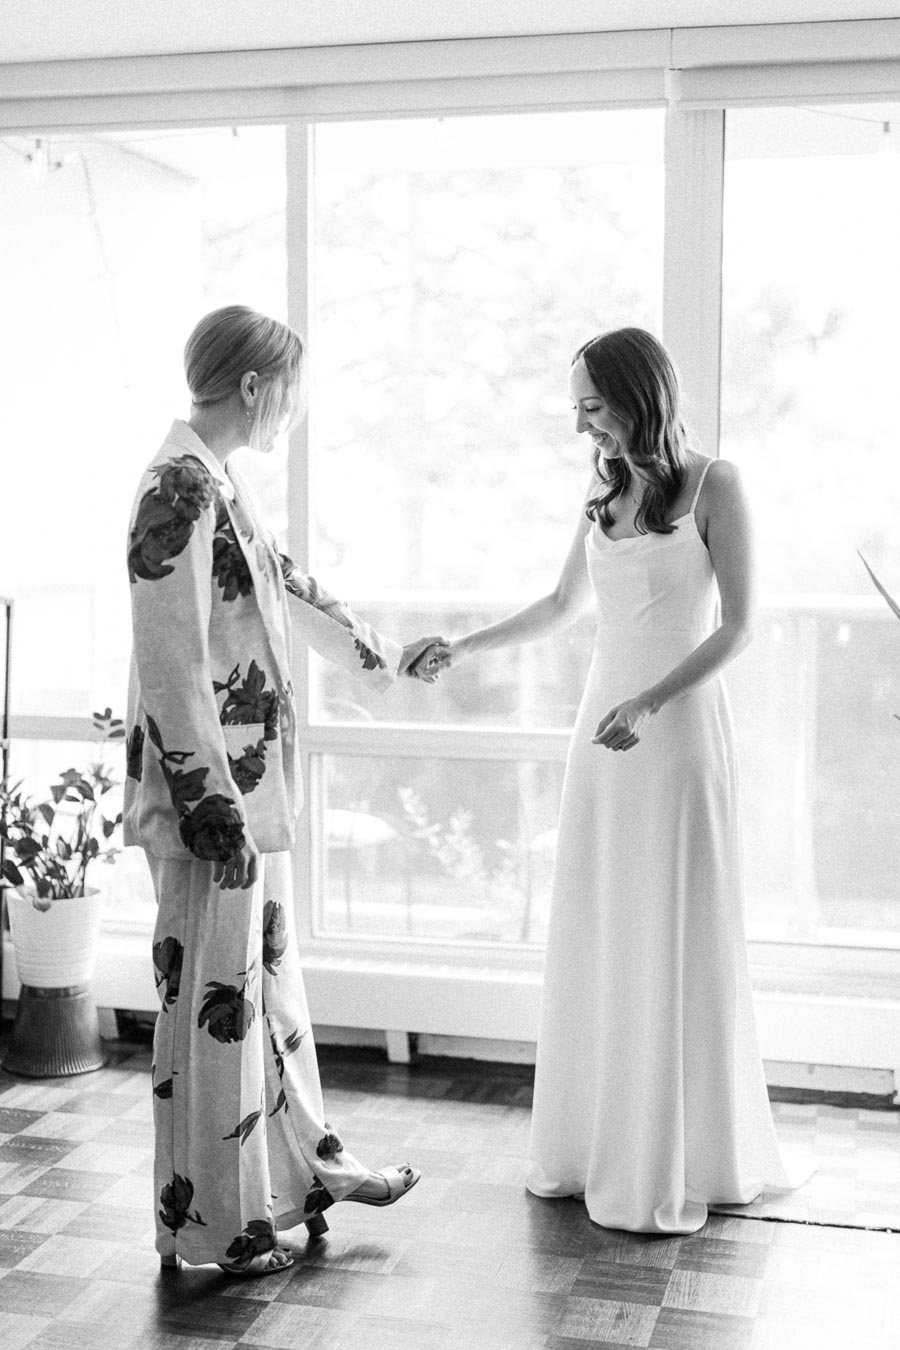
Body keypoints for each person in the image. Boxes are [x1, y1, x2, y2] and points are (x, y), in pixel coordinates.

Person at [425, 327, 809, 1233]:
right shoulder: (602, 492)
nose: (580, 427)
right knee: (605, 924)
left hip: (672, 731)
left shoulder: (718, 483)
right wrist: (462, 642)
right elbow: (562, 607)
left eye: (592, 407)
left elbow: (742, 624)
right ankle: (604, 1139)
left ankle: (684, 1152)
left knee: (672, 925)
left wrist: (651, 700)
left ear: (642, 395)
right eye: (576, 409)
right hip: (603, 733)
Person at [124, 305, 445, 1275]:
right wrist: (210, 804)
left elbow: (288, 589)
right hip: (209, 810)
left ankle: (312, 1170)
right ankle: (216, 1230)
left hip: (241, 800)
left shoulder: (215, 481)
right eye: (291, 393)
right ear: (255, 387)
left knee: (263, 996)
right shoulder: (175, 488)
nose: (293, 413)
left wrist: (384, 659)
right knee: (212, 1011)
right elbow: (169, 659)